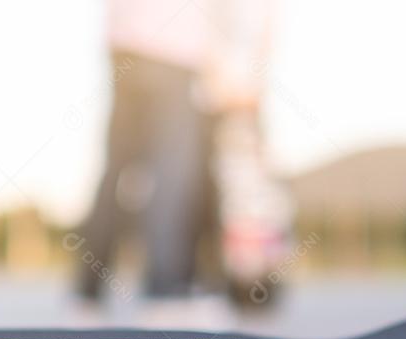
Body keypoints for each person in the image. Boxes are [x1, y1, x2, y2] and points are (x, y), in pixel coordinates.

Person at [75, 0, 273, 319]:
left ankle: (85, 293)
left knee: (116, 168)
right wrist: (233, 70)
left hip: (124, 45)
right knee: (173, 172)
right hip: (174, 52)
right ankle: (164, 291)